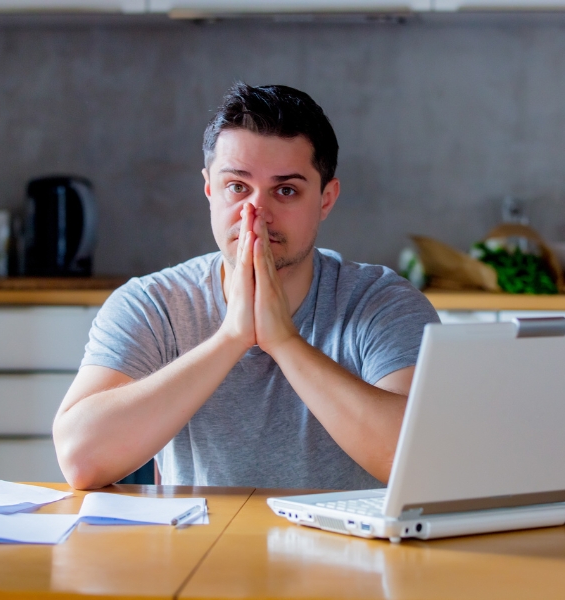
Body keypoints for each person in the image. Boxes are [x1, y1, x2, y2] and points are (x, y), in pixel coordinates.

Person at [53, 83, 439, 490]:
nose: (256, 213)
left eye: (286, 190)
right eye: (237, 187)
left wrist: (284, 342)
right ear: (209, 189)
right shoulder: (153, 304)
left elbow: (418, 464)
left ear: (326, 199)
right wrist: (232, 337)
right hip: (199, 549)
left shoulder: (383, 302)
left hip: (348, 551)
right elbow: (82, 461)